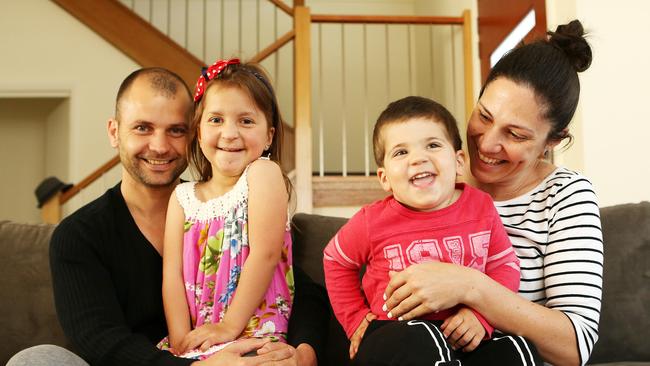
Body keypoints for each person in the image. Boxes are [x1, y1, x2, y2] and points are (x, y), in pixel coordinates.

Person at [7, 67, 323, 366]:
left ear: (191, 135)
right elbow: (100, 341)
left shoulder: (243, 200)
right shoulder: (79, 236)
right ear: (115, 132)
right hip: (172, 358)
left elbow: (296, 286)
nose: (159, 146)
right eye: (143, 128)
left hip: (232, 347)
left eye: (175, 130)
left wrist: (304, 353)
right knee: (36, 360)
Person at [383, 20, 603, 366]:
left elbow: (575, 345)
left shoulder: (565, 195)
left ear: (552, 142)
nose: (486, 144)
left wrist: (469, 286)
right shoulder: (433, 177)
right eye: (484, 116)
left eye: (515, 135)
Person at [323, 96, 541, 365]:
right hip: (394, 335)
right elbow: (335, 260)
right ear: (385, 178)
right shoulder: (371, 221)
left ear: (459, 161)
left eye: (433, 145)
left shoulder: (480, 207)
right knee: (422, 338)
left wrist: (481, 318)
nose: (418, 159)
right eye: (401, 152)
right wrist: (355, 319)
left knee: (519, 349)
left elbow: (505, 266)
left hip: (461, 333)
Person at [158, 58, 293, 359]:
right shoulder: (182, 197)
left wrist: (229, 326)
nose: (230, 133)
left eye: (246, 121)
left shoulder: (263, 174)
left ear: (269, 135)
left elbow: (266, 253)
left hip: (252, 336)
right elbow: (172, 275)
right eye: (216, 120)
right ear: (198, 130)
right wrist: (180, 337)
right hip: (199, 341)